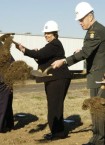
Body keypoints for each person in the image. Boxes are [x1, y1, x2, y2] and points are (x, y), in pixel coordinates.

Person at [51, 2, 105, 145]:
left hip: (99, 77)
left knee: (97, 110)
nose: (80, 23)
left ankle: (98, 140)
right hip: (98, 75)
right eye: (79, 20)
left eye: (82, 19)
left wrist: (64, 61)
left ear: (90, 16)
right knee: (97, 109)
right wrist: (81, 51)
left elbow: (86, 52)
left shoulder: (95, 31)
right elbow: (91, 51)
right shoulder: (94, 31)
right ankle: (97, 138)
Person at [15, 20, 72, 140]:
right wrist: (36, 55)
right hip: (55, 79)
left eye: (48, 33)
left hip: (58, 79)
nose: (46, 35)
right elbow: (43, 58)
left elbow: (40, 55)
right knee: (54, 106)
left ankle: (58, 133)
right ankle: (57, 131)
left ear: (55, 33)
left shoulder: (55, 44)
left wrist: (24, 50)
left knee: (54, 106)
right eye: (45, 33)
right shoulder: (52, 45)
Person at [0, 34, 14, 133]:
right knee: (5, 102)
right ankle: (8, 124)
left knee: (4, 103)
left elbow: (11, 62)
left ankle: (4, 125)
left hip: (4, 80)